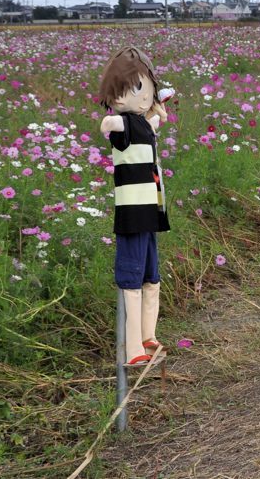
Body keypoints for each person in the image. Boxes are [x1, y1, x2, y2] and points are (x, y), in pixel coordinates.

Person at [99, 47, 173, 367]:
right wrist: (110, 121)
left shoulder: (143, 124)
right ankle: (133, 350)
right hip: (132, 212)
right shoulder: (124, 126)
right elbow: (110, 125)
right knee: (131, 280)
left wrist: (158, 105)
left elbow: (157, 119)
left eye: (147, 88)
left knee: (151, 276)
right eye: (136, 88)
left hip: (151, 210)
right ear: (117, 94)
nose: (143, 96)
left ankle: (149, 336)